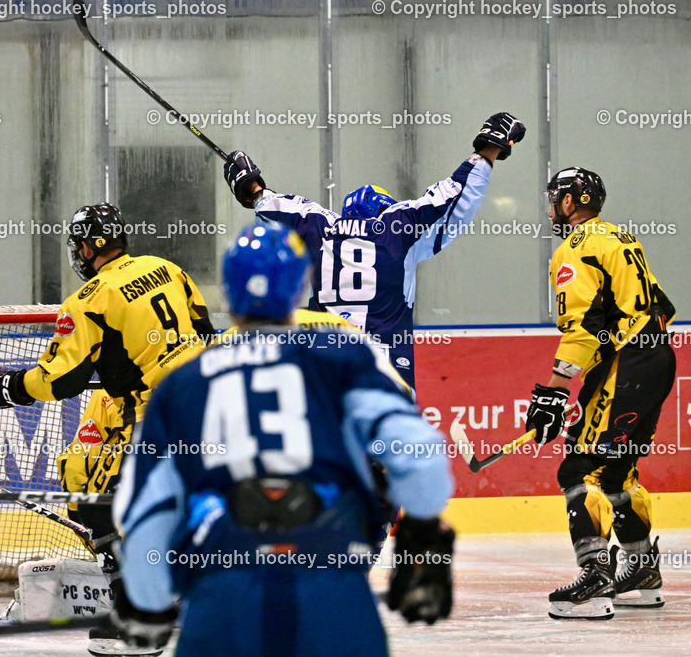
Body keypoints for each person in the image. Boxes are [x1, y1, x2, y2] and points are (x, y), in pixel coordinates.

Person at [109, 223, 455, 656]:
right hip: (332, 590)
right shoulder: (343, 359)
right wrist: (421, 533)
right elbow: (419, 456)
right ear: (298, 289)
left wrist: (149, 606)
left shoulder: (183, 385)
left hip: (224, 598)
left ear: (230, 295)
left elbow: (147, 516)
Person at [0, 203, 215, 655]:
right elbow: (206, 333)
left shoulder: (90, 300)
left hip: (158, 418)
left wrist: (10, 389)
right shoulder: (167, 269)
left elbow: (58, 379)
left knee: (94, 500)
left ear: (86, 246)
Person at [223, 113, 525, 388]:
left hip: (324, 369)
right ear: (382, 210)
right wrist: (488, 151)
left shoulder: (319, 229)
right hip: (386, 374)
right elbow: (451, 198)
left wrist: (252, 187)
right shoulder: (398, 231)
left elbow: (275, 207)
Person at [524, 167, 676, 620]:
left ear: (571, 201)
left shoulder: (574, 248)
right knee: (618, 472)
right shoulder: (621, 236)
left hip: (624, 366)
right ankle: (643, 571)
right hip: (657, 358)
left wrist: (554, 392)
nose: (551, 205)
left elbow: (582, 327)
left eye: (556, 197)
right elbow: (662, 306)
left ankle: (595, 578)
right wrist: (620, 341)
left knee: (580, 468)